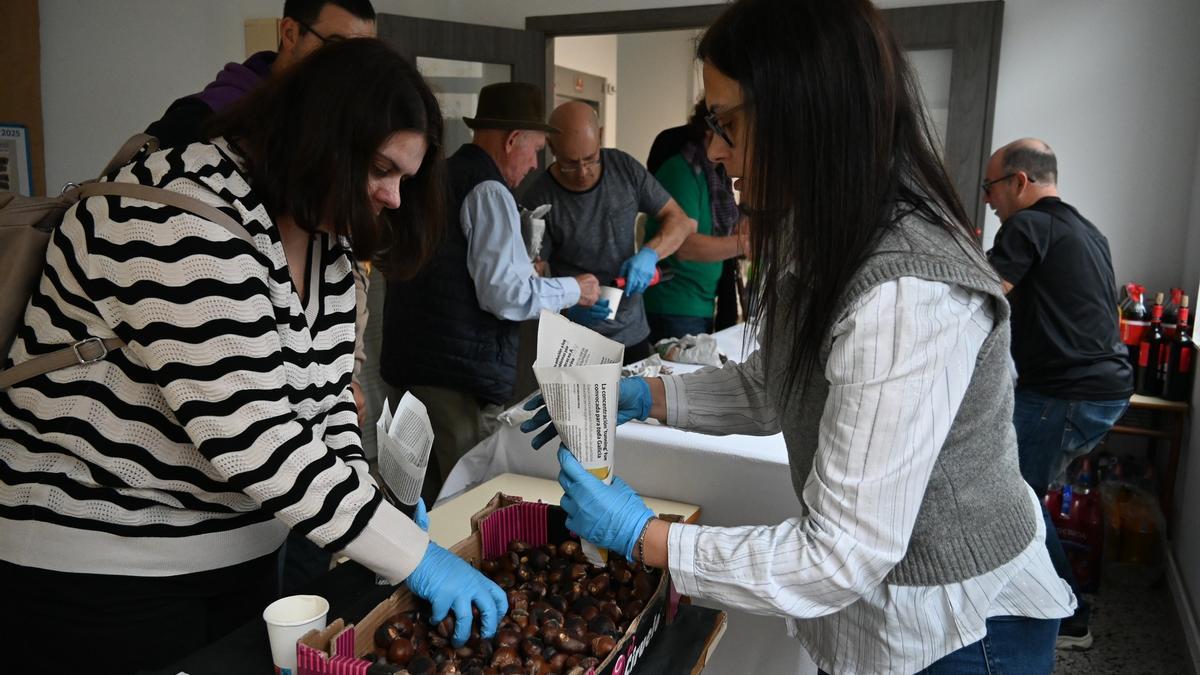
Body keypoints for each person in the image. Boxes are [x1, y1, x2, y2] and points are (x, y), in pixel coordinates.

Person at [523, 0, 1075, 672]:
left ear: (803, 115)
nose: (717, 150)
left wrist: (645, 536)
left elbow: (842, 552)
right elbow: (771, 385)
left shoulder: (906, 289)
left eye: (726, 123)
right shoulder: (815, 229)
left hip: (959, 626)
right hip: (880, 608)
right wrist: (642, 393)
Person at [0, 40, 504, 675]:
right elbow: (254, 438)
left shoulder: (326, 239)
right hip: (102, 577)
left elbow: (325, 411)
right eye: (381, 169)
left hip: (238, 563)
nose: (394, 197)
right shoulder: (177, 215)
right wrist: (416, 557)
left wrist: (372, 504)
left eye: (405, 176)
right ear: (318, 136)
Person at [144, 0, 377, 595]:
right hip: (144, 535)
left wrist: (334, 386)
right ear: (289, 33)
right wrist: (403, 549)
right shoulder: (197, 141)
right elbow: (244, 414)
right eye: (337, 49)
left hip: (250, 518)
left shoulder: (323, 216)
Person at [381, 82, 601, 505]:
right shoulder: (488, 189)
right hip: (455, 379)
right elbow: (504, 294)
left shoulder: (437, 175)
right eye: (536, 149)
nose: (536, 163)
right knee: (465, 500)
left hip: (408, 363)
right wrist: (574, 289)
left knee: (411, 496)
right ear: (513, 140)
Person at [984, 137, 1133, 651]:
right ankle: (1033, 593)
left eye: (990, 188)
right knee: (1021, 492)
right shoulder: (1086, 230)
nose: (988, 201)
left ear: (1019, 182)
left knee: (1013, 494)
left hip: (1068, 393)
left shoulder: (1026, 226)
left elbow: (977, 290)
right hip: (1104, 388)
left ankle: (1069, 614)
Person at [522, 101, 697, 363]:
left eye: (590, 159)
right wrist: (567, 309)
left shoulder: (623, 168)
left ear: (600, 136)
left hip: (632, 334)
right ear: (551, 148)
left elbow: (681, 221)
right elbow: (530, 280)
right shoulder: (540, 198)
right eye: (570, 163)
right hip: (575, 342)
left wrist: (650, 253)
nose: (582, 172)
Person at [642, 101, 748, 342]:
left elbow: (722, 228)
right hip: (674, 307)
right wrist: (745, 243)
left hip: (699, 302)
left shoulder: (715, 175)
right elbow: (685, 246)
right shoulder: (681, 172)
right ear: (709, 131)